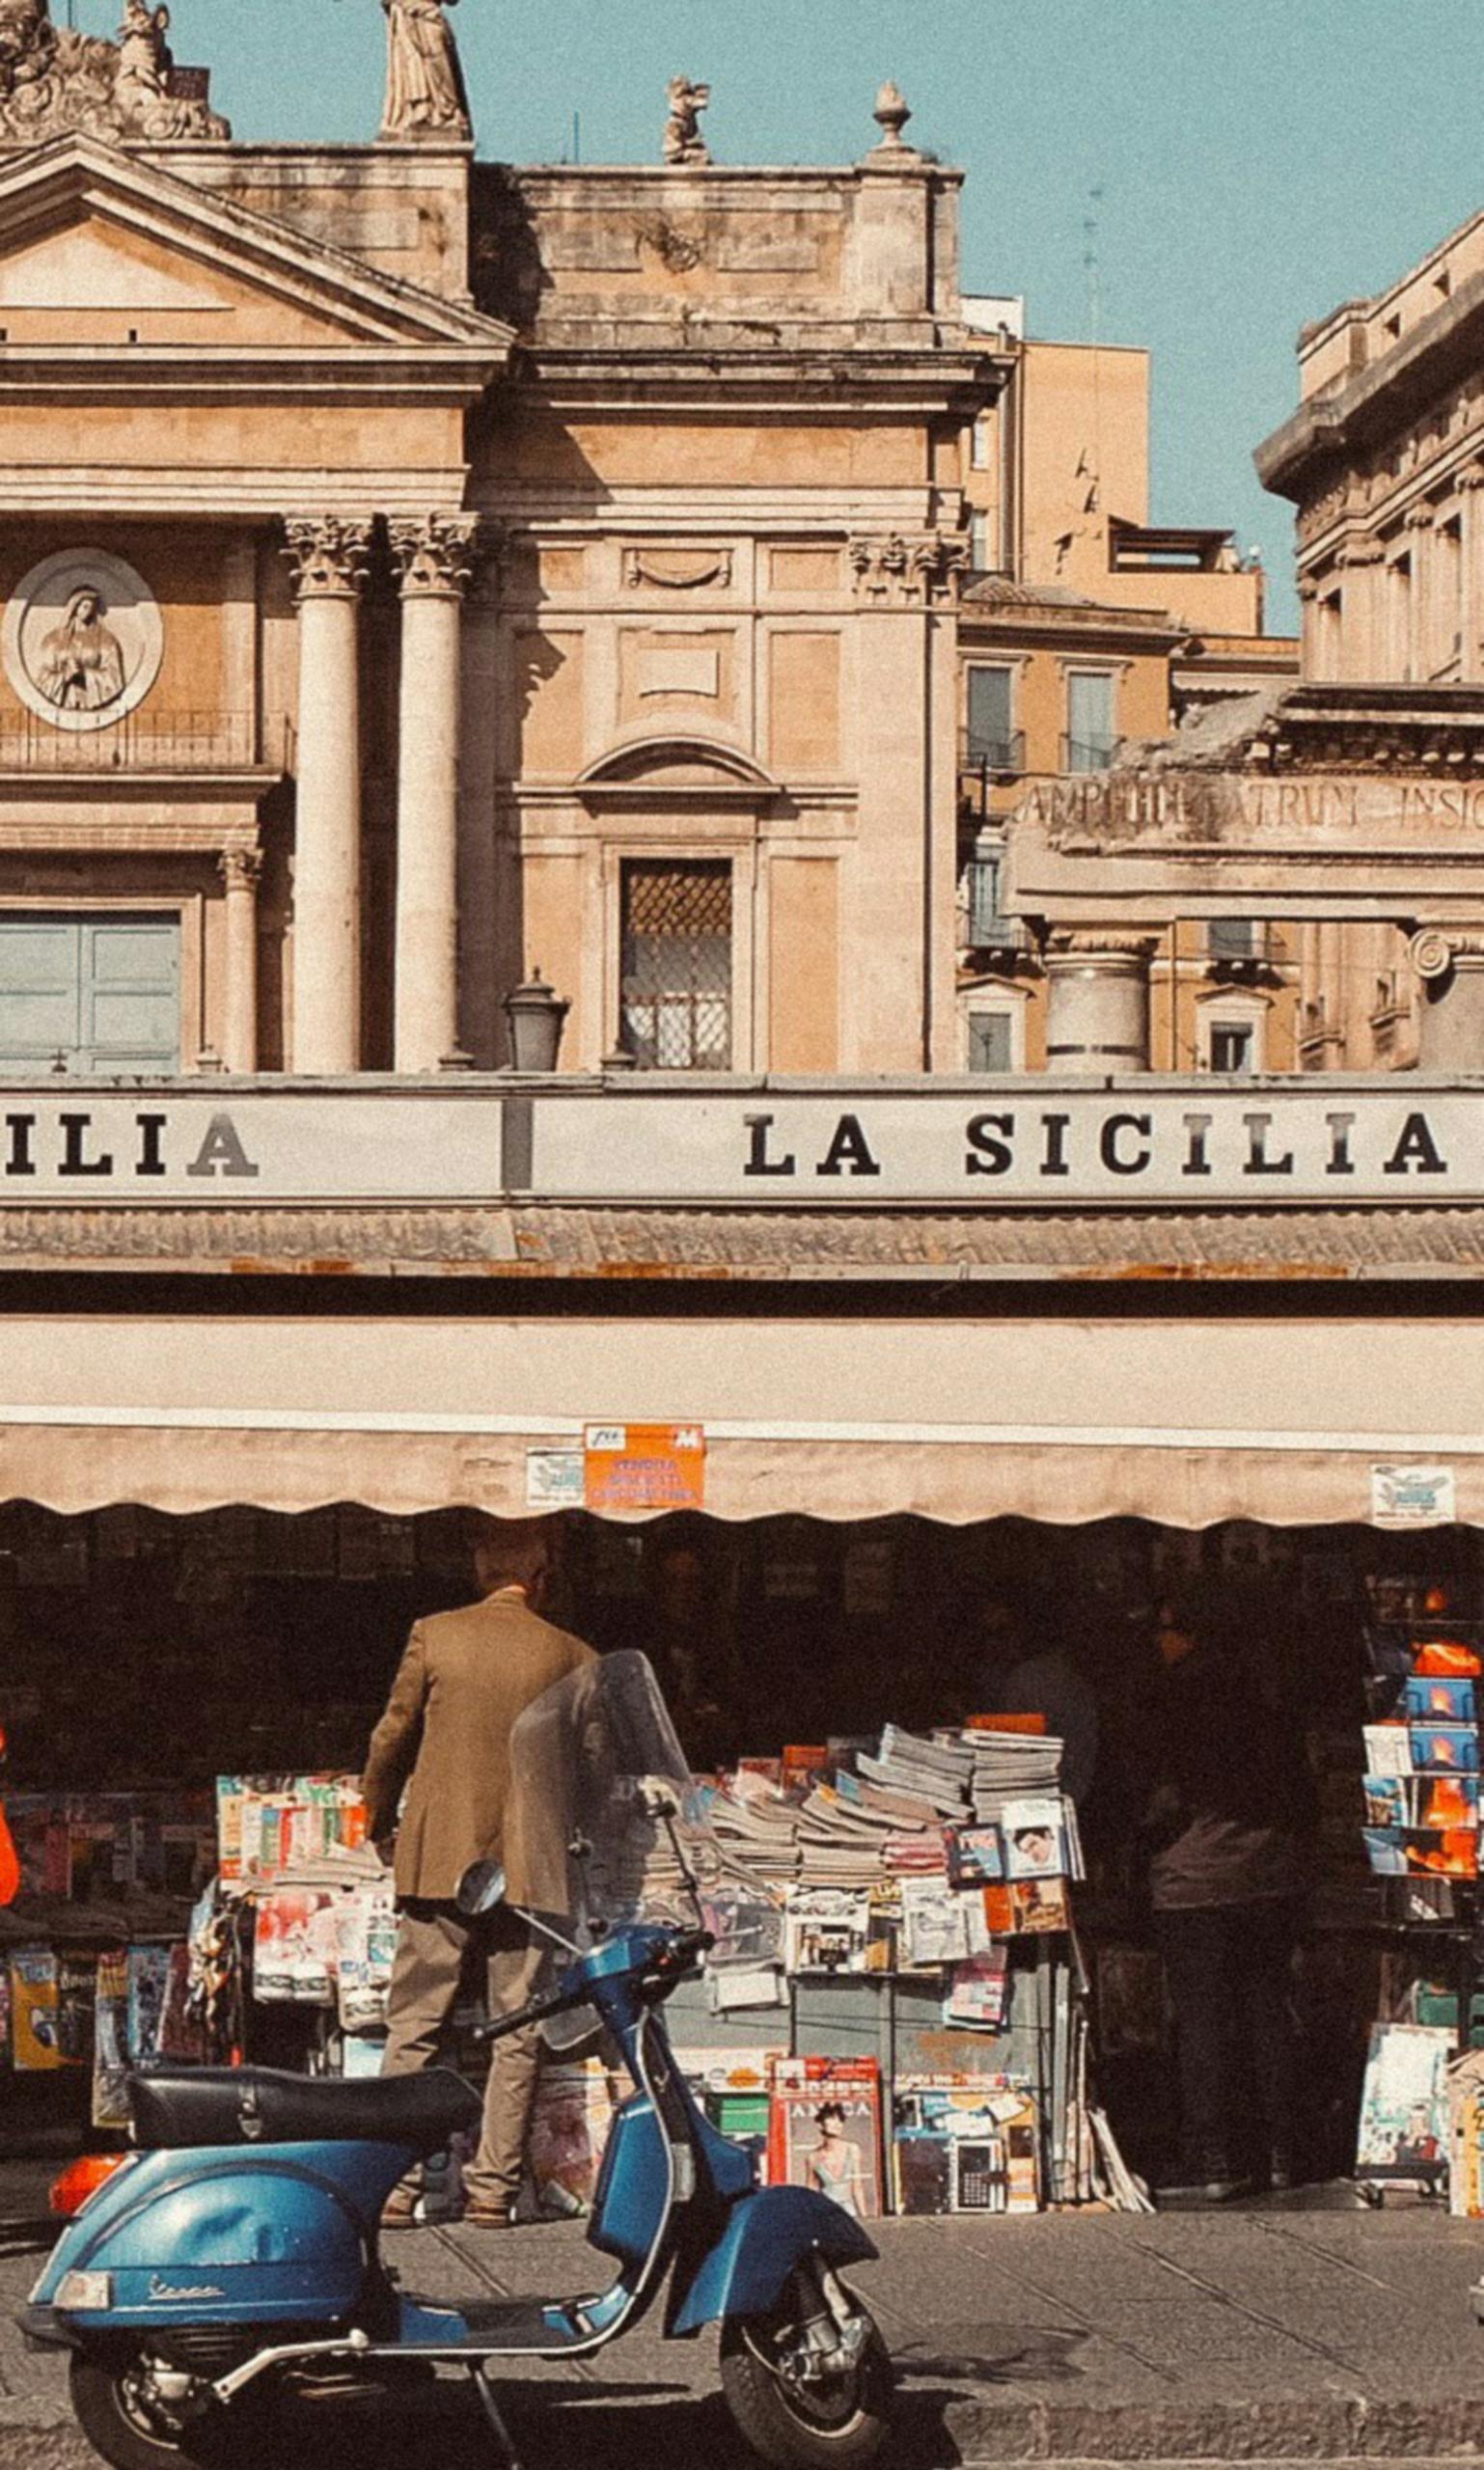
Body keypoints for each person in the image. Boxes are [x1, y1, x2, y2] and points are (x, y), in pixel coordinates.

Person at [361, 1513, 595, 2228]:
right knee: (516, 2026)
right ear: (543, 1577)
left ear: (481, 1571)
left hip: (440, 1855)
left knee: (416, 2024)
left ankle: (396, 2188)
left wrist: (377, 1815)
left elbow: (392, 1736)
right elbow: (589, 1765)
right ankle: (493, 2190)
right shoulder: (573, 1654)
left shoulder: (436, 1634)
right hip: (530, 1866)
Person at [1140, 1585, 1318, 2204]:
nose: (1157, 1642)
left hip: (1196, 1881)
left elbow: (1156, 1795)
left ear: (1186, 1634)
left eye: (1164, 1629)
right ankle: (1281, 2153)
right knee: (1268, 2011)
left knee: (1203, 2020)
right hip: (1270, 1876)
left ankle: (1211, 2156)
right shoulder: (1267, 1696)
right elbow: (1304, 1792)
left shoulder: (1171, 1698)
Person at [806, 2102, 865, 2219]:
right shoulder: (813, 2157)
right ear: (820, 2125)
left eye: (840, 2120)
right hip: (825, 2214)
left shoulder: (852, 2149)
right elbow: (810, 2190)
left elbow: (857, 2186)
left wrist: (865, 2217)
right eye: (832, 2119)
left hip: (849, 2213)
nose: (837, 2124)